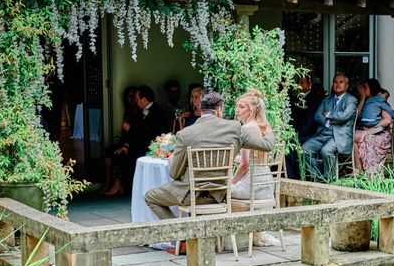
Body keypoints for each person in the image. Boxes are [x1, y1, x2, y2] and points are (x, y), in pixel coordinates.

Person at [144, 91, 275, 232]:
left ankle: (183, 236)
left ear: (201, 109)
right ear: (219, 110)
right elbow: (267, 145)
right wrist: (266, 126)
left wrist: (172, 161)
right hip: (220, 194)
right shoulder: (235, 129)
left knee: (150, 196)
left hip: (192, 195)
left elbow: (175, 174)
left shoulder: (185, 134)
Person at [301, 73, 357, 182]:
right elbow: (317, 116)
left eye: (341, 82)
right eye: (335, 82)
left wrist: (328, 114)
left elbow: (344, 116)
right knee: (305, 149)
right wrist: (328, 123)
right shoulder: (327, 99)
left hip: (338, 137)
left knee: (326, 151)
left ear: (347, 86)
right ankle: (318, 176)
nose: (337, 84)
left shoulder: (351, 100)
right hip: (323, 133)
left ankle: (329, 178)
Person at [111, 85, 166, 194]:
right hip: (140, 145)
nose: (135, 101)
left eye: (137, 99)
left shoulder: (156, 111)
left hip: (150, 147)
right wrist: (127, 144)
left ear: (144, 100)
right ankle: (121, 185)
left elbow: (146, 134)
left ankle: (127, 187)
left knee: (126, 156)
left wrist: (130, 129)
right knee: (116, 151)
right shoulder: (142, 111)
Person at [231, 89, 274, 201]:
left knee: (219, 189)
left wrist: (231, 182)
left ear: (251, 110)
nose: (237, 110)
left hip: (251, 187)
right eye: (237, 106)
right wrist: (231, 158)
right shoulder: (263, 126)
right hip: (267, 183)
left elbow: (245, 164)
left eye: (241, 107)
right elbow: (252, 159)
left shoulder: (246, 129)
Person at [353, 78, 394, 175]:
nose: (363, 89)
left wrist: (372, 128)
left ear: (372, 88)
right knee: (350, 136)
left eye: (365, 87)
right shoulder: (366, 102)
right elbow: (356, 116)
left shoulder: (379, 102)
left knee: (355, 138)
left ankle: (361, 169)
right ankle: (358, 167)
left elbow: (388, 120)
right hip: (368, 131)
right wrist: (363, 98)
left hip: (379, 134)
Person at [102, 85, 139, 195]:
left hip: (135, 144)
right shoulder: (128, 111)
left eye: (133, 96)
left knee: (120, 154)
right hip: (126, 142)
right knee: (108, 151)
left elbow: (138, 133)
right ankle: (108, 180)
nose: (131, 99)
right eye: (129, 97)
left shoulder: (141, 112)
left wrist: (127, 144)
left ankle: (118, 184)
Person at [286, 75, 324, 179]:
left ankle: (294, 177)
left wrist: (297, 134)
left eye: (302, 83)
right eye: (298, 83)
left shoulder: (314, 100)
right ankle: (293, 175)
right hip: (297, 133)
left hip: (309, 134)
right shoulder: (297, 99)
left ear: (309, 85)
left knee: (290, 144)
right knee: (287, 143)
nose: (299, 85)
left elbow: (310, 122)